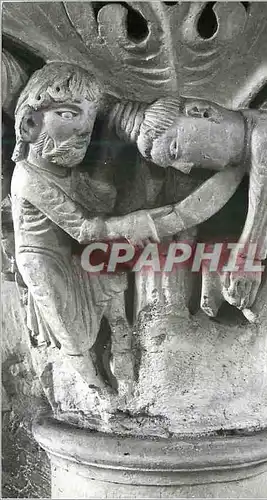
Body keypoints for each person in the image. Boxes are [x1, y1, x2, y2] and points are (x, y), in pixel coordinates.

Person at [111, 97, 267, 321]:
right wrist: (126, 226)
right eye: (173, 164)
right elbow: (195, 207)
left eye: (175, 149)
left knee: (255, 309)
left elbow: (265, 205)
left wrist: (247, 262)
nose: (186, 168)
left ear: (200, 111)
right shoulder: (242, 144)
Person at [11, 62, 160, 392]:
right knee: (75, 336)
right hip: (45, 261)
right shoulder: (28, 177)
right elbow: (82, 227)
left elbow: (100, 203)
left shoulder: (68, 175)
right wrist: (133, 223)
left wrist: (112, 138)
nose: (83, 130)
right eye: (68, 114)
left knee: (112, 285)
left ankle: (122, 345)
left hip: (78, 253)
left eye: (90, 121)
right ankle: (94, 387)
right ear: (29, 121)